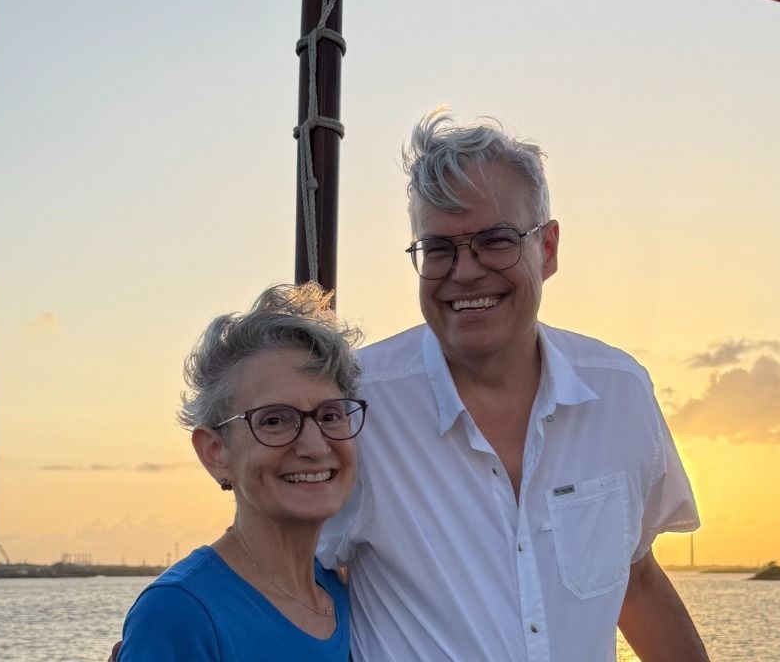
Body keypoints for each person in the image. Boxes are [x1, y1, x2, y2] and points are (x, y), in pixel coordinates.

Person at [316, 109, 707, 660]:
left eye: (496, 240)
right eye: (439, 249)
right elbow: (288, 580)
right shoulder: (352, 406)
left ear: (546, 250)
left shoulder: (621, 394)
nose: (466, 271)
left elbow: (636, 578)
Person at [116, 283, 359, 660]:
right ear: (215, 452)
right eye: (275, 420)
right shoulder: (182, 614)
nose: (314, 446)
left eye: (330, 415)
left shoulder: (344, 596)